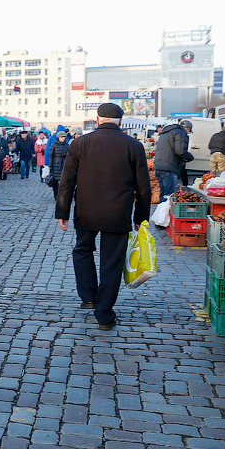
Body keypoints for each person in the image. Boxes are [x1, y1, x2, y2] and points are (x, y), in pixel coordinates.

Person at [55, 103, 151, 330]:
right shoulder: (134, 145)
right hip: (118, 213)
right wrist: (141, 217)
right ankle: (104, 314)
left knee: (82, 250)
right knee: (112, 262)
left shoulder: (79, 143)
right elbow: (143, 187)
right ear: (121, 120)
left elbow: (66, 181)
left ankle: (88, 297)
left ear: (97, 119)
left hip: (86, 211)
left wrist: (62, 212)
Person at [153, 123, 193, 202]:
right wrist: (190, 157)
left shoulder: (165, 133)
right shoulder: (180, 132)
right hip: (169, 167)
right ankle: (165, 213)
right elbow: (180, 151)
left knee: (163, 195)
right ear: (188, 129)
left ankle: (161, 213)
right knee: (169, 196)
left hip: (159, 165)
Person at [47, 130, 69, 199]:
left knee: (64, 181)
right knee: (55, 182)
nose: (63, 138)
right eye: (62, 137)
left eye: (64, 137)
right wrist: (50, 166)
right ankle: (56, 195)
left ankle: (63, 195)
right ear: (58, 137)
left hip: (64, 164)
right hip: (55, 165)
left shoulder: (67, 145)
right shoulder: (54, 145)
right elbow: (50, 156)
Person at [179, 119, 193, 185]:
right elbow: (181, 150)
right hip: (178, 159)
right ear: (187, 129)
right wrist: (188, 158)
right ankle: (185, 187)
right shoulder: (183, 136)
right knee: (182, 174)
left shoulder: (176, 134)